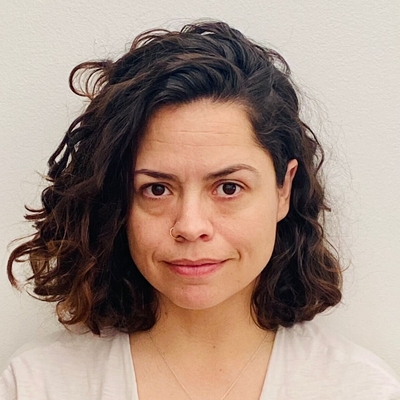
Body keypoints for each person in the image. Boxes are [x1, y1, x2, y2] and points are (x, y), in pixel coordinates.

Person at [1, 21, 399, 400]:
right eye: (157, 189)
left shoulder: (358, 389)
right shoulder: (38, 384)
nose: (190, 226)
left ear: (284, 190)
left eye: (229, 188)